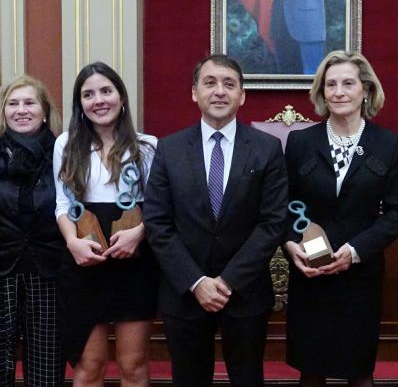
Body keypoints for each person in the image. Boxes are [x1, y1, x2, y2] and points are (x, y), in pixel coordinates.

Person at [143, 53, 288, 387]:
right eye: (210, 83)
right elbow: (157, 221)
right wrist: (197, 282)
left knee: (248, 379)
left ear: (242, 95)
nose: (219, 91)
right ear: (195, 93)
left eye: (229, 84)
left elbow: (272, 222)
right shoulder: (170, 149)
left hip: (246, 292)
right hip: (185, 292)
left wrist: (228, 281)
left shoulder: (267, 149)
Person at [283, 50, 398, 386]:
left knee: (359, 372)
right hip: (310, 274)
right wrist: (289, 244)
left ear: (365, 90)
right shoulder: (300, 142)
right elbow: (282, 204)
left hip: (360, 276)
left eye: (348, 83)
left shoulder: (387, 143)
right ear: (322, 92)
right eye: (331, 84)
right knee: (311, 371)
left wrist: (354, 252)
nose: (338, 91)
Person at [54, 62, 158, 386]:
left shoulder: (147, 145)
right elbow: (61, 203)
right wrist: (73, 243)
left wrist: (138, 236)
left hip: (135, 263)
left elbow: (160, 207)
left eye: (106, 91)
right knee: (89, 365)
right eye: (88, 94)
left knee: (133, 364)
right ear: (80, 104)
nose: (98, 100)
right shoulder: (65, 144)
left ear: (121, 97)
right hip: (83, 261)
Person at [0, 75, 64, 386]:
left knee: (45, 370)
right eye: (12, 104)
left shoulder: (65, 154)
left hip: (49, 272)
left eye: (29, 103)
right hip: (2, 271)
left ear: (44, 110)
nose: (21, 110)